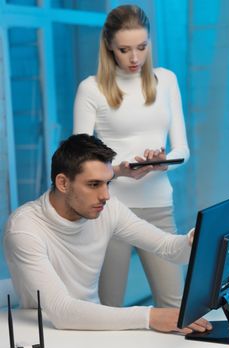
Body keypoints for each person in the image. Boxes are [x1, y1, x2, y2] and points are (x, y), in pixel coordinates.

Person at [4, 134, 211, 333]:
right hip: (45, 332)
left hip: (96, 328)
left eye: (108, 182)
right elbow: (62, 311)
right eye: (93, 184)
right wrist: (150, 317)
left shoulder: (108, 209)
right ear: (63, 183)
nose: (105, 195)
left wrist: (193, 240)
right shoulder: (24, 228)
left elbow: (170, 249)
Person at [73, 5, 190, 308]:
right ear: (109, 46)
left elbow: (182, 149)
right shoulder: (91, 89)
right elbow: (78, 161)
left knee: (176, 308)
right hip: (110, 210)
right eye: (125, 49)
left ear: (150, 42)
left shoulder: (166, 81)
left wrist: (164, 161)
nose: (135, 58)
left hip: (159, 207)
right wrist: (120, 172)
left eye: (142, 47)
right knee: (108, 307)